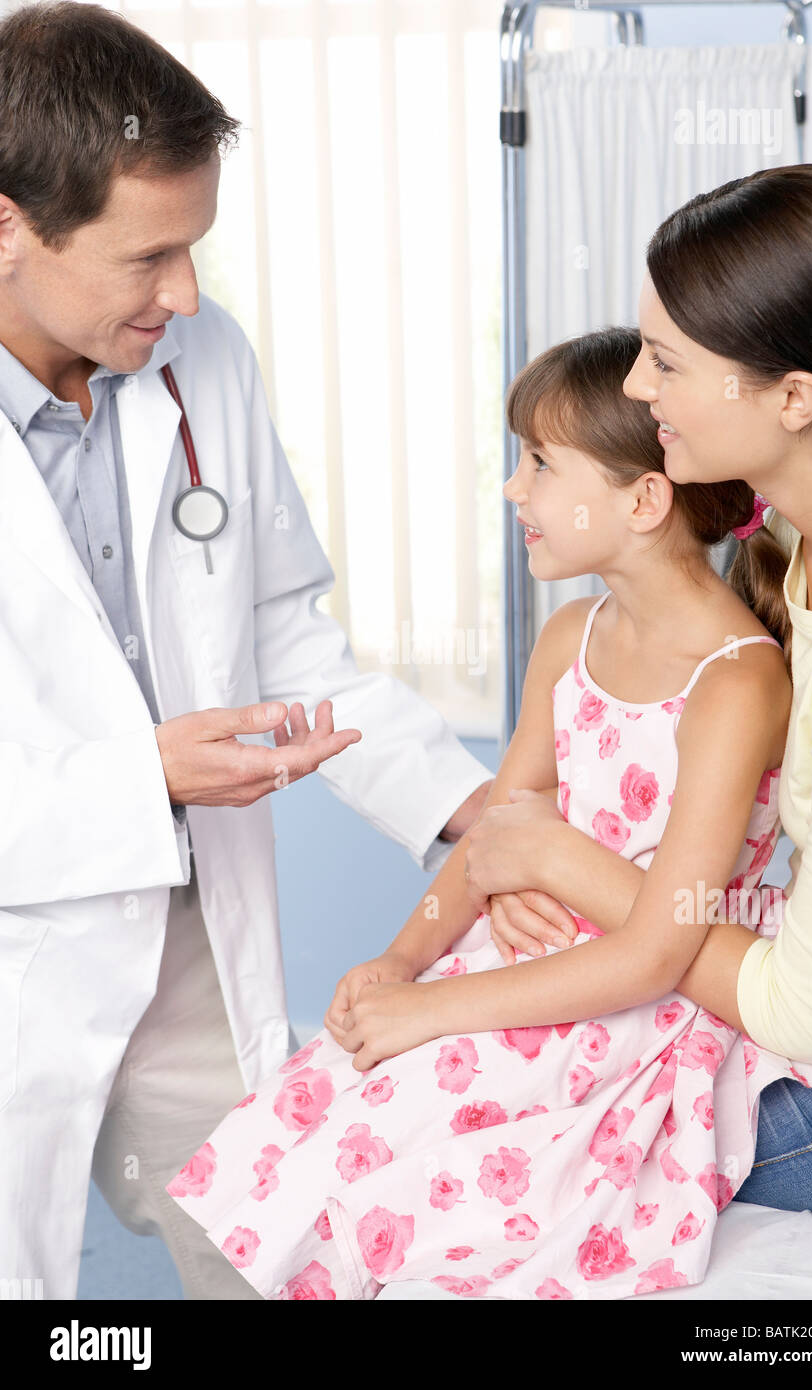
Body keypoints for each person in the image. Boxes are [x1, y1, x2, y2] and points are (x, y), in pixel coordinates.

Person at [165, 324, 812, 1300]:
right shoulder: (569, 633)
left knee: (418, 1133)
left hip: (641, 996)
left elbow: (656, 953)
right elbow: (499, 830)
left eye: (537, 462)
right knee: (332, 1084)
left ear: (642, 497)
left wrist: (431, 1006)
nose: (512, 489)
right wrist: (399, 963)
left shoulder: (735, 679)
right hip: (527, 958)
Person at [0, 1, 492, 1302]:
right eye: (148, 255)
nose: (189, 294)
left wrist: (469, 814)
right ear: (6, 223)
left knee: (279, 1252)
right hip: (17, 949)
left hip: (185, 940)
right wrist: (141, 777)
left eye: (195, 248)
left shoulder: (195, 360)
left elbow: (281, 632)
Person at [468, 163, 812, 1217]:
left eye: (663, 362)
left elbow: (802, 1016)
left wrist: (556, 859)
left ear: (792, 398)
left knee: (490, 1155)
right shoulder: (796, 540)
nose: (637, 391)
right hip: (777, 977)